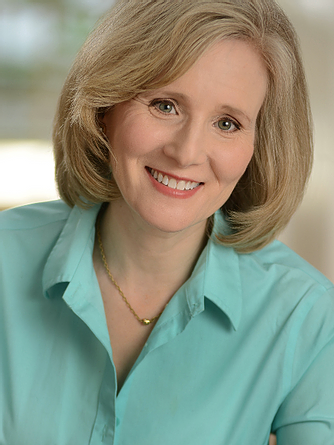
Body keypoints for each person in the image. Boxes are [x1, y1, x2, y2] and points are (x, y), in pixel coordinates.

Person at [1, 0, 334, 444]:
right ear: (105, 106)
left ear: (260, 146)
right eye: (164, 105)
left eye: (227, 123)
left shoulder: (305, 314)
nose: (187, 152)